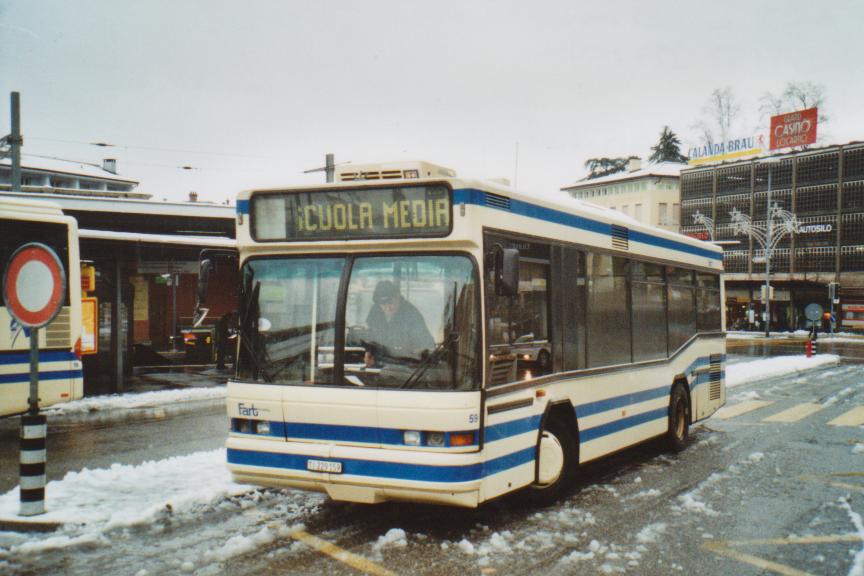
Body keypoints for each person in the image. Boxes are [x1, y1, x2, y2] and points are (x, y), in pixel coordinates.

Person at [364, 280, 434, 367]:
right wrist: (368, 351)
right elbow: (371, 336)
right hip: (379, 365)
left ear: (398, 297)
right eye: (383, 304)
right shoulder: (375, 312)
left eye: (390, 303)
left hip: (406, 367)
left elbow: (426, 344)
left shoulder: (412, 315)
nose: (388, 308)